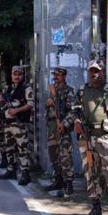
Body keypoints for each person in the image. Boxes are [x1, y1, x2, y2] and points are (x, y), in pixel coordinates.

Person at [71, 59, 108, 215]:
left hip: (104, 138)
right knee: (90, 172)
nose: (94, 74)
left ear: (103, 72)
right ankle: (96, 207)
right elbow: (75, 110)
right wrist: (76, 121)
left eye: (97, 71)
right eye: (91, 71)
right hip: (86, 138)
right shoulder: (82, 90)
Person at [0, 65, 34, 185]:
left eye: (19, 74)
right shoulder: (8, 88)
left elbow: (30, 104)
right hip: (8, 124)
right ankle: (11, 171)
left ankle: (25, 174)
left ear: (22, 75)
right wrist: (0, 98)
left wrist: (16, 111)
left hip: (20, 124)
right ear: (12, 75)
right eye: (15, 74)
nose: (17, 76)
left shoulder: (26, 88)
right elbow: (3, 101)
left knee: (23, 150)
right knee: (9, 149)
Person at [43, 67, 75, 196]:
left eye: (58, 75)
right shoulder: (53, 90)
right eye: (54, 75)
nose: (56, 77)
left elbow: (72, 111)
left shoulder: (69, 92)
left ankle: (69, 183)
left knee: (65, 157)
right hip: (52, 128)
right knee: (53, 156)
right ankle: (58, 180)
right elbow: (50, 107)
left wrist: (65, 123)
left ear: (64, 76)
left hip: (63, 128)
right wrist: (48, 102)